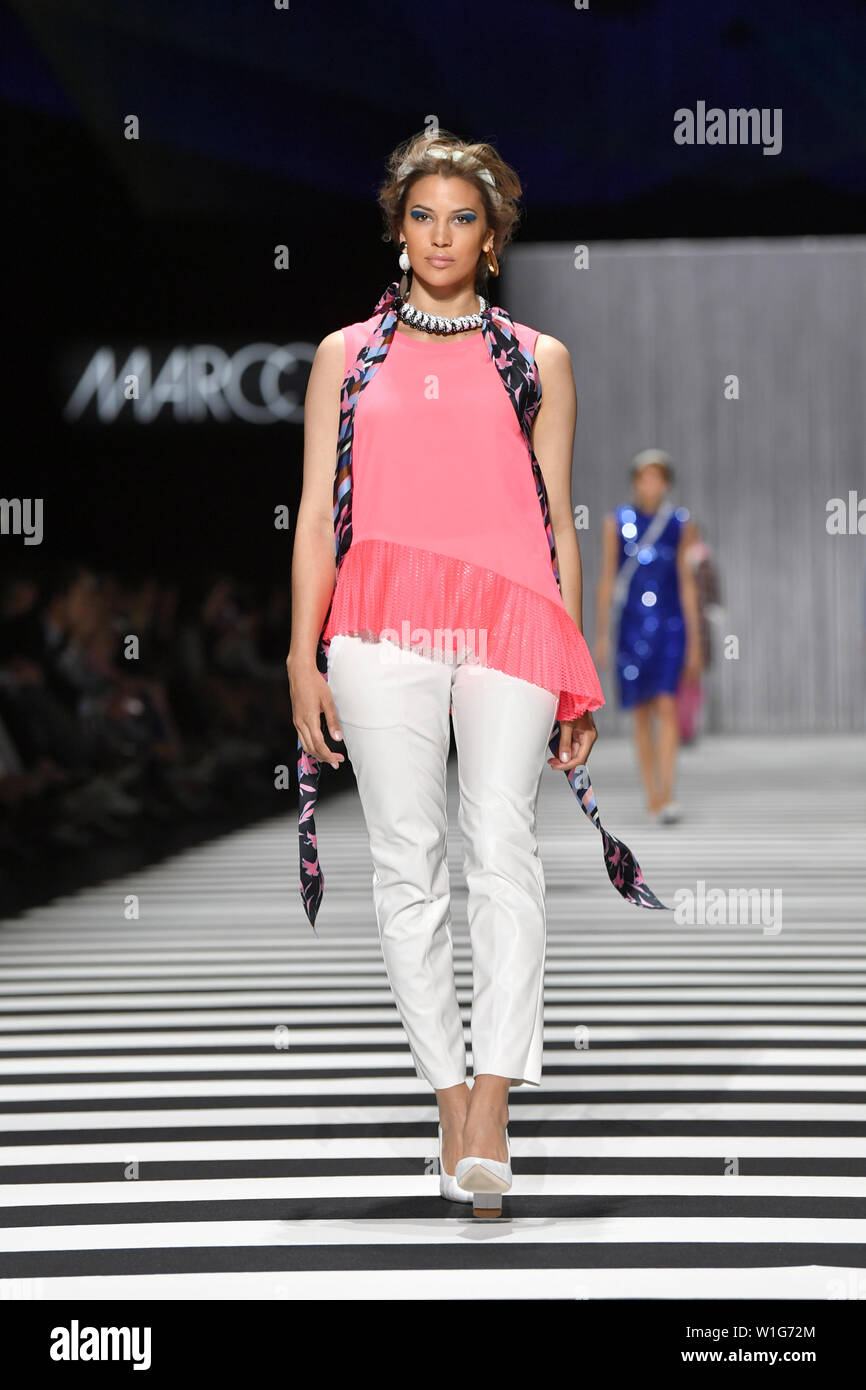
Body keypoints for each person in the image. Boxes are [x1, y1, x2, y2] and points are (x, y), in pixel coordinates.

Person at [288, 129, 605, 1211]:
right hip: (374, 622)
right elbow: (315, 529)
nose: (439, 235)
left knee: (503, 847)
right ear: (397, 226)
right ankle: (442, 1087)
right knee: (404, 861)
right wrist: (299, 652)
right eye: (421, 214)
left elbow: (558, 520)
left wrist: (577, 665)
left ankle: (492, 1098)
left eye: (460, 217)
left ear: (493, 235)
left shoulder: (536, 357)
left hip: (510, 618)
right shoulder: (346, 354)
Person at [594, 450, 702, 822]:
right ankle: (652, 793)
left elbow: (687, 583)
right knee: (640, 712)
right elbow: (608, 578)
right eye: (644, 478)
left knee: (667, 705)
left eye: (657, 478)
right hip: (631, 626)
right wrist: (602, 634)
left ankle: (668, 792)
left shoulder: (680, 524)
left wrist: (695, 641)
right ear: (635, 482)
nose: (650, 485)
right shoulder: (616, 522)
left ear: (666, 483)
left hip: (671, 625)